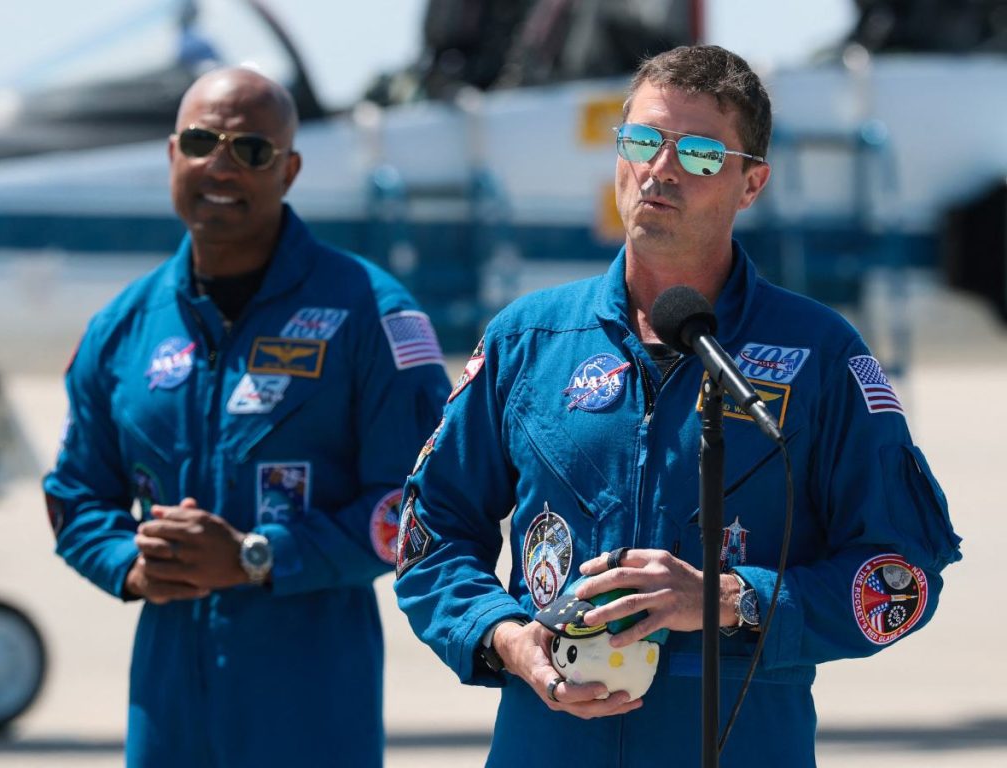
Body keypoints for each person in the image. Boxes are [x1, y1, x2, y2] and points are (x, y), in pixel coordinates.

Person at [393, 45, 961, 767]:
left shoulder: (819, 355)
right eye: (640, 141)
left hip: (736, 741)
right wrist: (506, 639)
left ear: (751, 183)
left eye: (697, 153)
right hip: (549, 740)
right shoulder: (528, 340)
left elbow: (901, 578)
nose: (659, 170)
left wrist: (728, 599)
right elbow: (428, 537)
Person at [43, 67, 450, 767]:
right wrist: (132, 567)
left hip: (312, 709)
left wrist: (255, 557)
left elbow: (415, 507)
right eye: (201, 142)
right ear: (172, 155)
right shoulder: (123, 329)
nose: (221, 165)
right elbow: (76, 493)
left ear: (288, 169)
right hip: (168, 708)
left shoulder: (370, 316)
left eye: (251, 150)